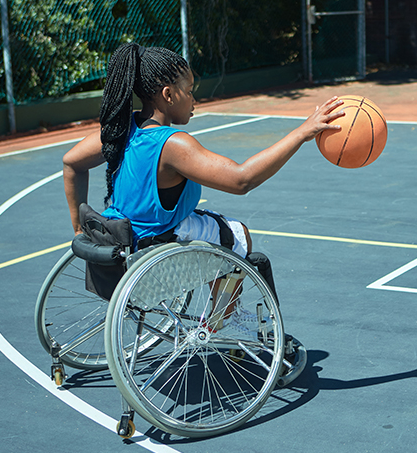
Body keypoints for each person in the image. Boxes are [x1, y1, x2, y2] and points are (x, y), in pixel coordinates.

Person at [62, 43, 343, 324]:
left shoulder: (120, 131)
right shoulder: (172, 145)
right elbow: (241, 179)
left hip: (117, 243)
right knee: (237, 234)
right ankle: (225, 320)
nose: (194, 99)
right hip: (152, 248)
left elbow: (71, 163)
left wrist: (78, 229)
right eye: (189, 91)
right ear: (168, 95)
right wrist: (301, 133)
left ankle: (222, 310)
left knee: (208, 227)